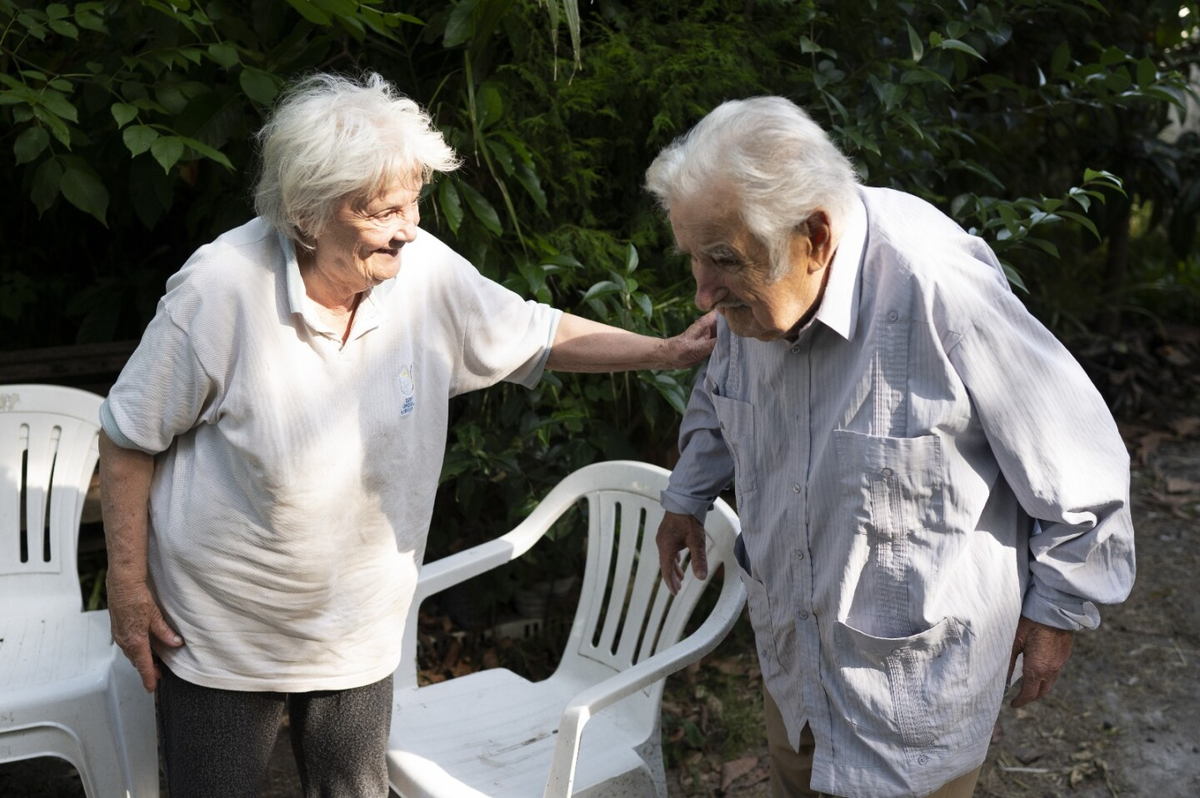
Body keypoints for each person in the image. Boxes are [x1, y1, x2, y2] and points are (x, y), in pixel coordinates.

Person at [99, 72, 715, 798]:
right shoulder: (220, 289)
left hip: (360, 628)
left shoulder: (420, 273)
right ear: (308, 212)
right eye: (384, 209)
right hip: (222, 630)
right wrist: (129, 586)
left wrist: (666, 351)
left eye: (413, 200)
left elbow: (538, 332)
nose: (409, 226)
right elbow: (128, 438)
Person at [650, 97, 1134, 798]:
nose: (702, 294)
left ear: (815, 237)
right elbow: (723, 391)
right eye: (694, 259)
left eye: (721, 261)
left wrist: (1058, 609)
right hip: (797, 671)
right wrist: (688, 494)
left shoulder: (938, 285)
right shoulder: (753, 295)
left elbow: (1078, 461)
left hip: (913, 704)